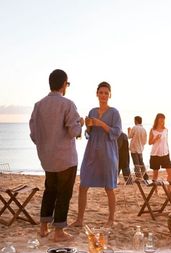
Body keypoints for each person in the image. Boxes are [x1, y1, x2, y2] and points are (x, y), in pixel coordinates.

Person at [29, 69, 84, 242]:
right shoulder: (67, 104)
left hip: (47, 158)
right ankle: (58, 231)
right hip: (65, 158)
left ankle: (44, 226)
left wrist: (46, 146)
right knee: (64, 193)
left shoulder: (39, 105)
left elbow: (33, 133)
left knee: (50, 190)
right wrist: (80, 122)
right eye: (67, 84)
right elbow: (74, 131)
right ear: (63, 84)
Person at [71, 81, 122, 228]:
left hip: (108, 152)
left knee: (109, 187)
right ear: (97, 94)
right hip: (92, 151)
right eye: (101, 92)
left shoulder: (114, 112)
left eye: (106, 93)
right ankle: (80, 219)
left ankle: (111, 219)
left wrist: (101, 124)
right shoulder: (92, 111)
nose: (103, 95)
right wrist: (88, 126)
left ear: (110, 95)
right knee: (83, 185)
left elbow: (117, 132)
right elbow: (88, 134)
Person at [148, 113, 171, 185]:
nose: (162, 120)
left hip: (165, 154)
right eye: (161, 118)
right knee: (155, 174)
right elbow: (149, 143)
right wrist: (155, 139)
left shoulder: (166, 130)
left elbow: (166, 142)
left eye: (163, 118)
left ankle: (169, 191)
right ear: (157, 119)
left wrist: (168, 152)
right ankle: (155, 191)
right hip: (155, 154)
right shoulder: (152, 130)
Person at [128, 116, 149, 180]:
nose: (134, 121)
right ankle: (145, 176)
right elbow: (145, 142)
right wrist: (141, 145)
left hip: (134, 148)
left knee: (136, 164)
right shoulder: (144, 129)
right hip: (140, 148)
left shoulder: (134, 127)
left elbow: (129, 136)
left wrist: (129, 130)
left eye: (134, 120)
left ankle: (138, 177)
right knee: (141, 163)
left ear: (136, 121)